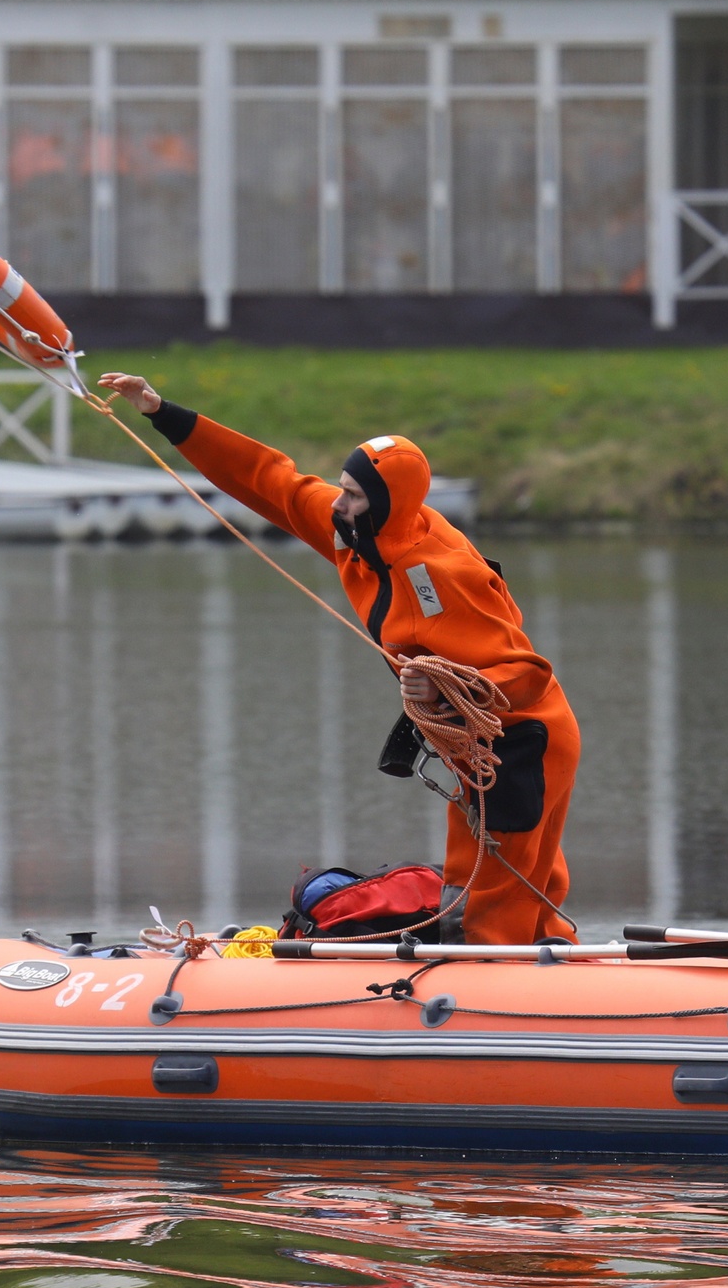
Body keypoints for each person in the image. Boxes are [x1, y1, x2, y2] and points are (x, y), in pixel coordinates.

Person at [96, 372, 578, 944]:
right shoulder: (355, 533)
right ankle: (558, 967)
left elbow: (526, 673)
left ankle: (508, 1003)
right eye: (342, 488)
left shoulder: (440, 575)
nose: (338, 503)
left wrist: (449, 690)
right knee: (503, 887)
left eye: (352, 494)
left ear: (385, 505)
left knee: (498, 900)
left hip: (522, 742)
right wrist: (162, 412)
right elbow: (269, 479)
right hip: (476, 746)